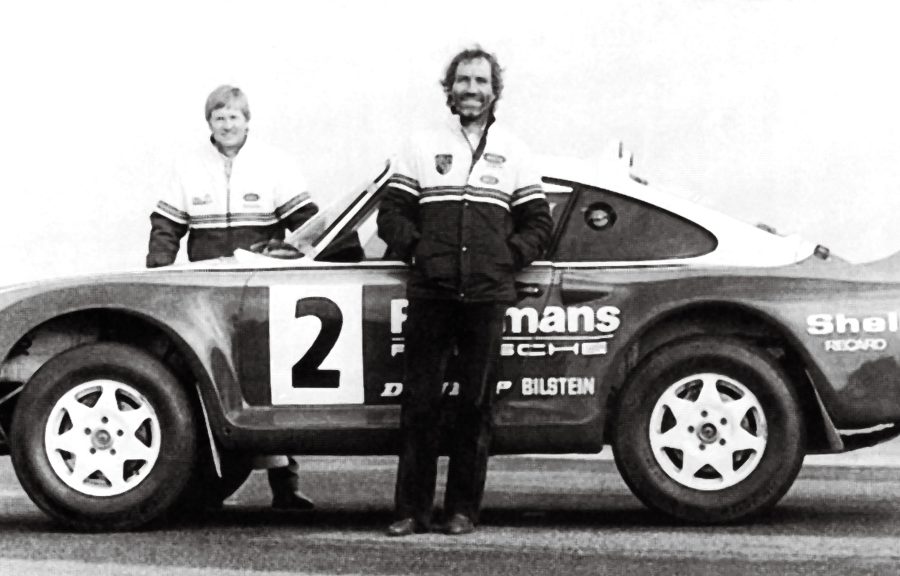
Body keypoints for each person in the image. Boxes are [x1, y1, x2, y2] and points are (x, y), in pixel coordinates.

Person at [377, 47, 553, 536]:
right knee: (419, 403)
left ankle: (462, 510)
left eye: (480, 81)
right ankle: (410, 511)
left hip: (487, 296)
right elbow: (389, 214)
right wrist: (421, 252)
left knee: (473, 407)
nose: (471, 89)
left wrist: (505, 258)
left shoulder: (515, 150)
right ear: (448, 89)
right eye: (462, 81)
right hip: (432, 292)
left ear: (494, 90)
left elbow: (539, 223)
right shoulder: (420, 143)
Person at [146, 85, 317, 510]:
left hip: (259, 291)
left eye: (234, 118)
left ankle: (286, 487)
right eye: (219, 118)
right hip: (206, 293)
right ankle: (204, 487)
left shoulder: (275, 164)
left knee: (264, 381)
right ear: (210, 124)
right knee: (209, 387)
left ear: (247, 121)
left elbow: (307, 224)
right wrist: (156, 279)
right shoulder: (187, 168)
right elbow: (165, 228)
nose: (227, 126)